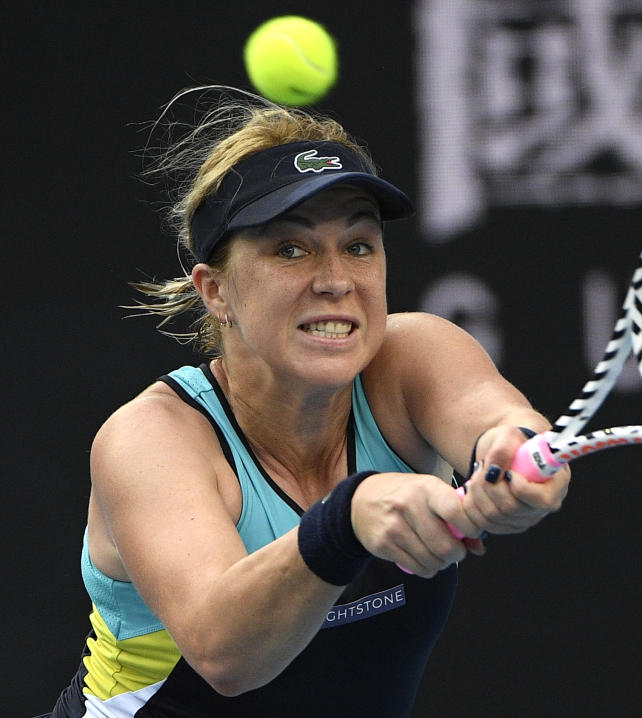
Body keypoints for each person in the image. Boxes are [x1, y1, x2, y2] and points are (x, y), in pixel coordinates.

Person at [42, 87, 570, 717]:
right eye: (290, 250)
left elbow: (498, 420)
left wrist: (514, 454)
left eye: (358, 246)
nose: (335, 280)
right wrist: (344, 520)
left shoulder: (413, 358)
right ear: (215, 290)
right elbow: (226, 655)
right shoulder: (151, 442)